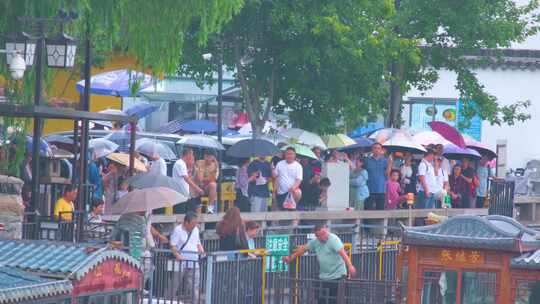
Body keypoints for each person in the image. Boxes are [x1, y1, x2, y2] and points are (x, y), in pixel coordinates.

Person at [283, 224, 356, 304]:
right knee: (321, 300)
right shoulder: (315, 242)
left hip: (338, 276)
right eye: (320, 235)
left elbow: (343, 253)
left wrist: (350, 266)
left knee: (334, 300)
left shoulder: (334, 239)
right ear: (317, 236)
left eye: (324, 233)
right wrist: (291, 257)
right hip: (324, 276)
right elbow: (303, 249)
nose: (323, 236)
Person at [169, 212, 204, 303]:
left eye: (196, 223)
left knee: (194, 285)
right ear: (186, 222)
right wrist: (178, 256)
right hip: (180, 262)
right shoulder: (178, 230)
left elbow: (197, 242)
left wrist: (202, 251)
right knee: (174, 284)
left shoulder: (195, 229)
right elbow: (173, 245)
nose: (195, 225)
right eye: (193, 223)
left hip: (193, 261)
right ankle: (168, 301)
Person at [173, 148, 204, 213]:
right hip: (180, 194)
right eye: (192, 154)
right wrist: (197, 189)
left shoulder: (183, 164)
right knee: (180, 215)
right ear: (188, 155)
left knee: (190, 213)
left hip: (186, 194)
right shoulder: (180, 163)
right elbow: (186, 178)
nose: (193, 156)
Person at [364, 143, 392, 210]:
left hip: (381, 189)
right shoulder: (367, 160)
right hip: (369, 189)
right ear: (372, 149)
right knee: (368, 211)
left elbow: (387, 174)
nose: (376, 150)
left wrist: (390, 164)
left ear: (381, 150)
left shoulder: (385, 161)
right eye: (375, 148)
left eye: (378, 148)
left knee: (380, 211)